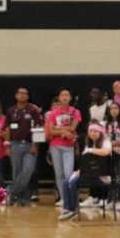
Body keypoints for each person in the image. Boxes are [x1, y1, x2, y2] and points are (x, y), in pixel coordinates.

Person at [3, 87, 43, 206]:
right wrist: (7, 145)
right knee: (16, 172)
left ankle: (9, 191)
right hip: (15, 144)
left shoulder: (33, 109)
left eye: (25, 93)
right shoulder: (11, 111)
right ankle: (23, 199)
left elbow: (39, 127)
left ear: (28, 96)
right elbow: (7, 128)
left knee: (28, 170)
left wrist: (36, 144)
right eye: (20, 93)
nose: (22, 95)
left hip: (30, 144)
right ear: (15, 95)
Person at [47, 88, 81, 219]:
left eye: (67, 95)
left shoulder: (75, 111)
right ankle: (65, 200)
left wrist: (59, 128)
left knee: (68, 175)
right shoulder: (53, 113)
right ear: (59, 98)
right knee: (59, 174)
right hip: (55, 146)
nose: (65, 97)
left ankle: (73, 202)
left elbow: (73, 128)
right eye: (62, 95)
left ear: (70, 97)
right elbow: (50, 131)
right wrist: (63, 131)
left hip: (68, 147)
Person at [67, 124, 112, 212]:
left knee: (73, 182)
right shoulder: (89, 144)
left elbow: (106, 152)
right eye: (91, 131)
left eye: (95, 131)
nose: (93, 133)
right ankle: (67, 208)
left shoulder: (106, 142)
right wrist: (78, 171)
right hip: (90, 175)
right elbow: (86, 164)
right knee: (67, 181)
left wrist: (91, 150)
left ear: (101, 133)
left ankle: (73, 209)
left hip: (102, 177)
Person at [105, 101, 120, 206]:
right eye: (111, 109)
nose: (113, 110)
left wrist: (118, 143)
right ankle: (111, 197)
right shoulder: (107, 124)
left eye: (116, 108)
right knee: (111, 176)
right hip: (110, 152)